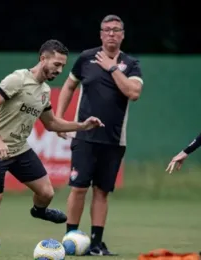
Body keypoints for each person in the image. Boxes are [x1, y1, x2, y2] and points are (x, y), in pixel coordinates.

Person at [0, 39, 105, 260]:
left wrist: (82, 125)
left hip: (19, 149)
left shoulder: (44, 91)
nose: (59, 70)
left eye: (62, 67)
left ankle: (38, 211)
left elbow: (52, 124)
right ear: (43, 58)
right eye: (56, 64)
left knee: (46, 192)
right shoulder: (17, 79)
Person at [55, 15, 144, 256]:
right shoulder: (86, 58)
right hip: (84, 136)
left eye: (116, 30)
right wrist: (61, 120)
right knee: (79, 188)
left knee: (102, 191)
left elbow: (133, 92)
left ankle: (95, 243)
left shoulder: (131, 64)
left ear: (123, 34)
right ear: (101, 34)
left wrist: (112, 67)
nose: (111, 34)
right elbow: (69, 86)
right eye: (107, 30)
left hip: (114, 140)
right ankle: (70, 238)